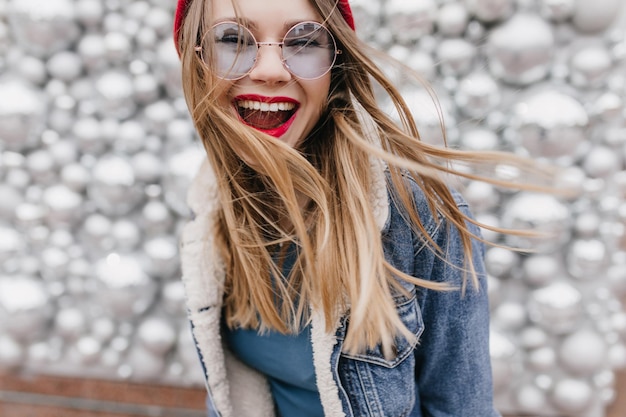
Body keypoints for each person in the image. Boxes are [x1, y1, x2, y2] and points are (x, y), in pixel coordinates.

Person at [173, 0, 531, 415]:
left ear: (336, 66)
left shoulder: (420, 215)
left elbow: (462, 408)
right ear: (195, 61)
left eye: (303, 41)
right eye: (233, 39)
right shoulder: (213, 206)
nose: (269, 70)